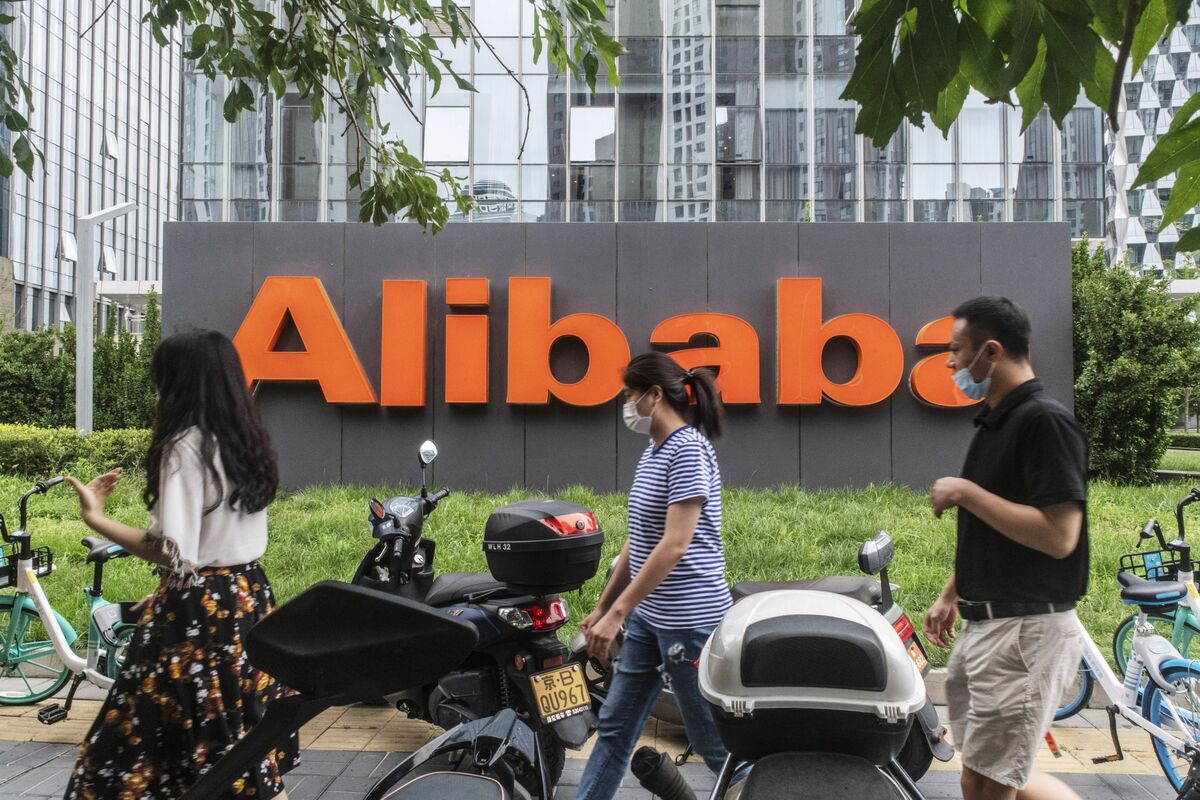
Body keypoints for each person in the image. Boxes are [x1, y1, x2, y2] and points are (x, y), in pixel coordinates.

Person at [63, 330, 298, 800]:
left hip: (196, 614)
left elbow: (174, 552)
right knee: (237, 745)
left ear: (177, 383)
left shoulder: (184, 445)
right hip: (247, 598)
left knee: (128, 749)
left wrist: (96, 518)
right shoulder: (243, 440)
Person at [924, 297, 1088, 800]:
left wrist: (965, 492)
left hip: (1025, 633)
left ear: (991, 352)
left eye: (957, 350)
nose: (950, 363)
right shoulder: (995, 421)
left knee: (991, 782)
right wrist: (952, 594)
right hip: (989, 627)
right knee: (982, 775)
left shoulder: (1044, 421)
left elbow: (1060, 536)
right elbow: (997, 528)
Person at [575, 352, 733, 800]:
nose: (627, 404)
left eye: (630, 394)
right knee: (615, 726)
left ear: (654, 395)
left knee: (712, 743)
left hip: (691, 620)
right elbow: (640, 540)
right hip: (650, 616)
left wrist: (617, 614)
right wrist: (605, 607)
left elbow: (675, 544)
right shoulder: (654, 452)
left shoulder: (688, 450)